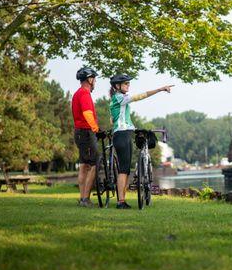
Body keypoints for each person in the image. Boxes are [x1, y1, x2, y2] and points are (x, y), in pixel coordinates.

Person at [109, 74, 173, 209]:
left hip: (123, 134)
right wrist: (160, 89)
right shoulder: (120, 97)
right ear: (117, 86)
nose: (128, 85)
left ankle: (122, 200)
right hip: (122, 135)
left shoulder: (116, 99)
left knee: (125, 170)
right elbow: (139, 97)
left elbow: (113, 119)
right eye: (125, 83)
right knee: (123, 170)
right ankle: (120, 202)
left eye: (128, 83)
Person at [71, 67, 102, 207]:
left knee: (83, 166)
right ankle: (85, 199)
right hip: (86, 132)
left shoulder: (77, 93)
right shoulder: (84, 94)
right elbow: (87, 114)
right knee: (95, 164)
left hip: (79, 132)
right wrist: (96, 129)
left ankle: (82, 198)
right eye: (94, 78)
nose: (95, 81)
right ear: (89, 79)